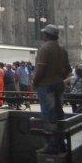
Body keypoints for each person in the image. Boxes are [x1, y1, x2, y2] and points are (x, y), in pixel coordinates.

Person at [31, 25, 71, 154]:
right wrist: (59, 77)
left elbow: (41, 68)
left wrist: (35, 82)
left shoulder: (45, 48)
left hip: (46, 85)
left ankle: (51, 146)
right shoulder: (62, 49)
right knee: (59, 114)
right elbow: (68, 69)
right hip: (59, 84)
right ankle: (61, 143)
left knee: (48, 115)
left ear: (47, 35)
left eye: (44, 34)